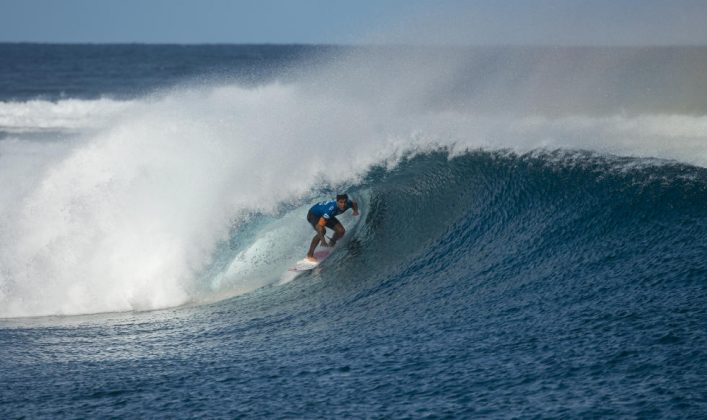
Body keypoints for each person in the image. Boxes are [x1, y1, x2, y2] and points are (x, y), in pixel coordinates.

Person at [306, 193, 359, 261]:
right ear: (337, 201)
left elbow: (354, 204)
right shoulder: (329, 210)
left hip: (326, 215)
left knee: (341, 231)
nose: (343, 204)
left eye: (345, 202)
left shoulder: (348, 203)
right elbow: (319, 226)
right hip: (313, 215)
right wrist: (323, 241)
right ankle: (310, 254)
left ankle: (331, 244)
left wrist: (355, 211)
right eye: (341, 202)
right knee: (322, 231)